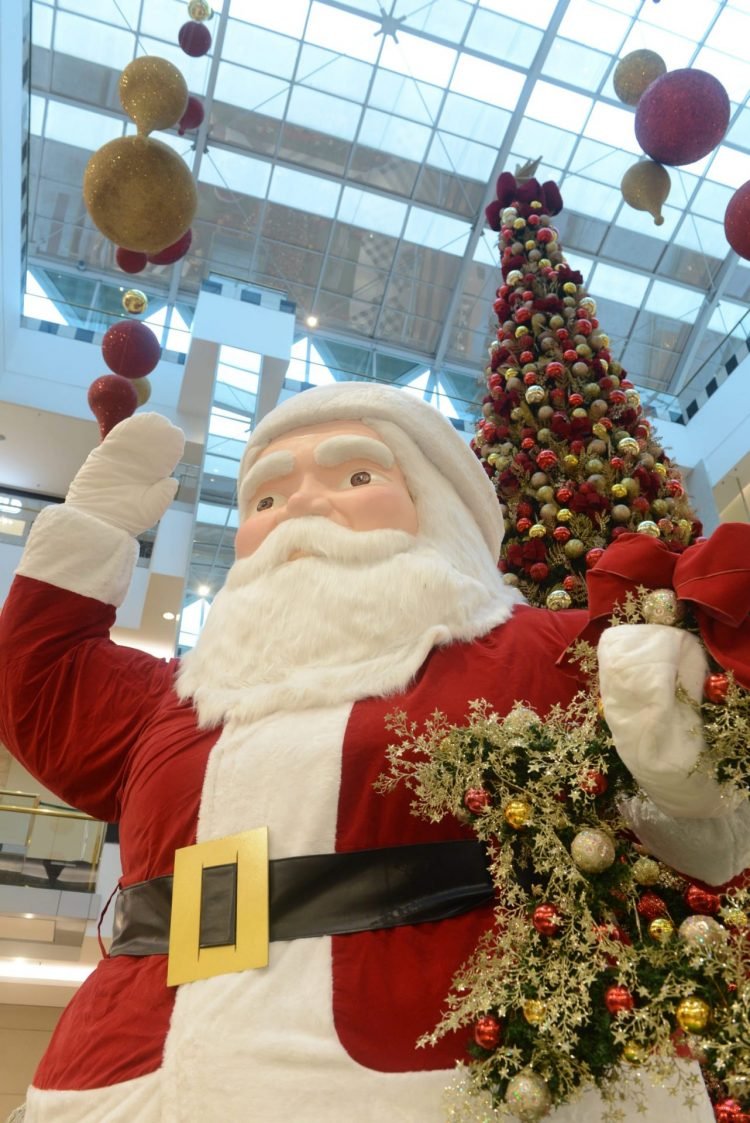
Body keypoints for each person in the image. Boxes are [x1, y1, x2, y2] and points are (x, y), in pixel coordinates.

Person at [0, 381, 744, 1123]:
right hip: (137, 1073)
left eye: (357, 476)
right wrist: (91, 525)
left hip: (437, 1070)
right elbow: (42, 688)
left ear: (437, 508)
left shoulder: (540, 653)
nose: (298, 507)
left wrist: (680, 749)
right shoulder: (174, 702)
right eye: (265, 499)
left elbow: (704, 833)